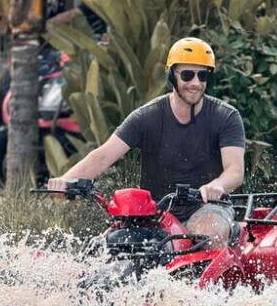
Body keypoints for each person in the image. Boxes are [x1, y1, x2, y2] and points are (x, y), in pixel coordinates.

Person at [47, 37, 245, 229]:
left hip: (209, 208)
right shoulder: (146, 116)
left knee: (208, 231)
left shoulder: (226, 116)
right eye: (187, 75)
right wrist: (65, 182)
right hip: (155, 212)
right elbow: (103, 156)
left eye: (202, 76)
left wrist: (218, 185)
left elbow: (235, 171)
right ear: (172, 76)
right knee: (115, 243)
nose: (195, 83)